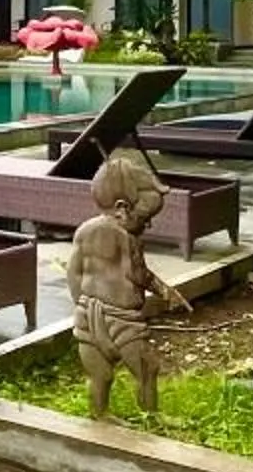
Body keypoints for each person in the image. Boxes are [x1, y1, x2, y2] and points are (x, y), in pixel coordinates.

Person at [70, 152, 184, 418]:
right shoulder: (126, 238)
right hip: (121, 320)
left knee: (100, 374)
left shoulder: (83, 231)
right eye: (145, 218)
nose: (149, 223)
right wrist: (166, 291)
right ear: (122, 208)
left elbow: (73, 274)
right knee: (147, 368)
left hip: (88, 315)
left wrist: (83, 304)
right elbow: (138, 275)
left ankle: (99, 414)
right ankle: (152, 416)